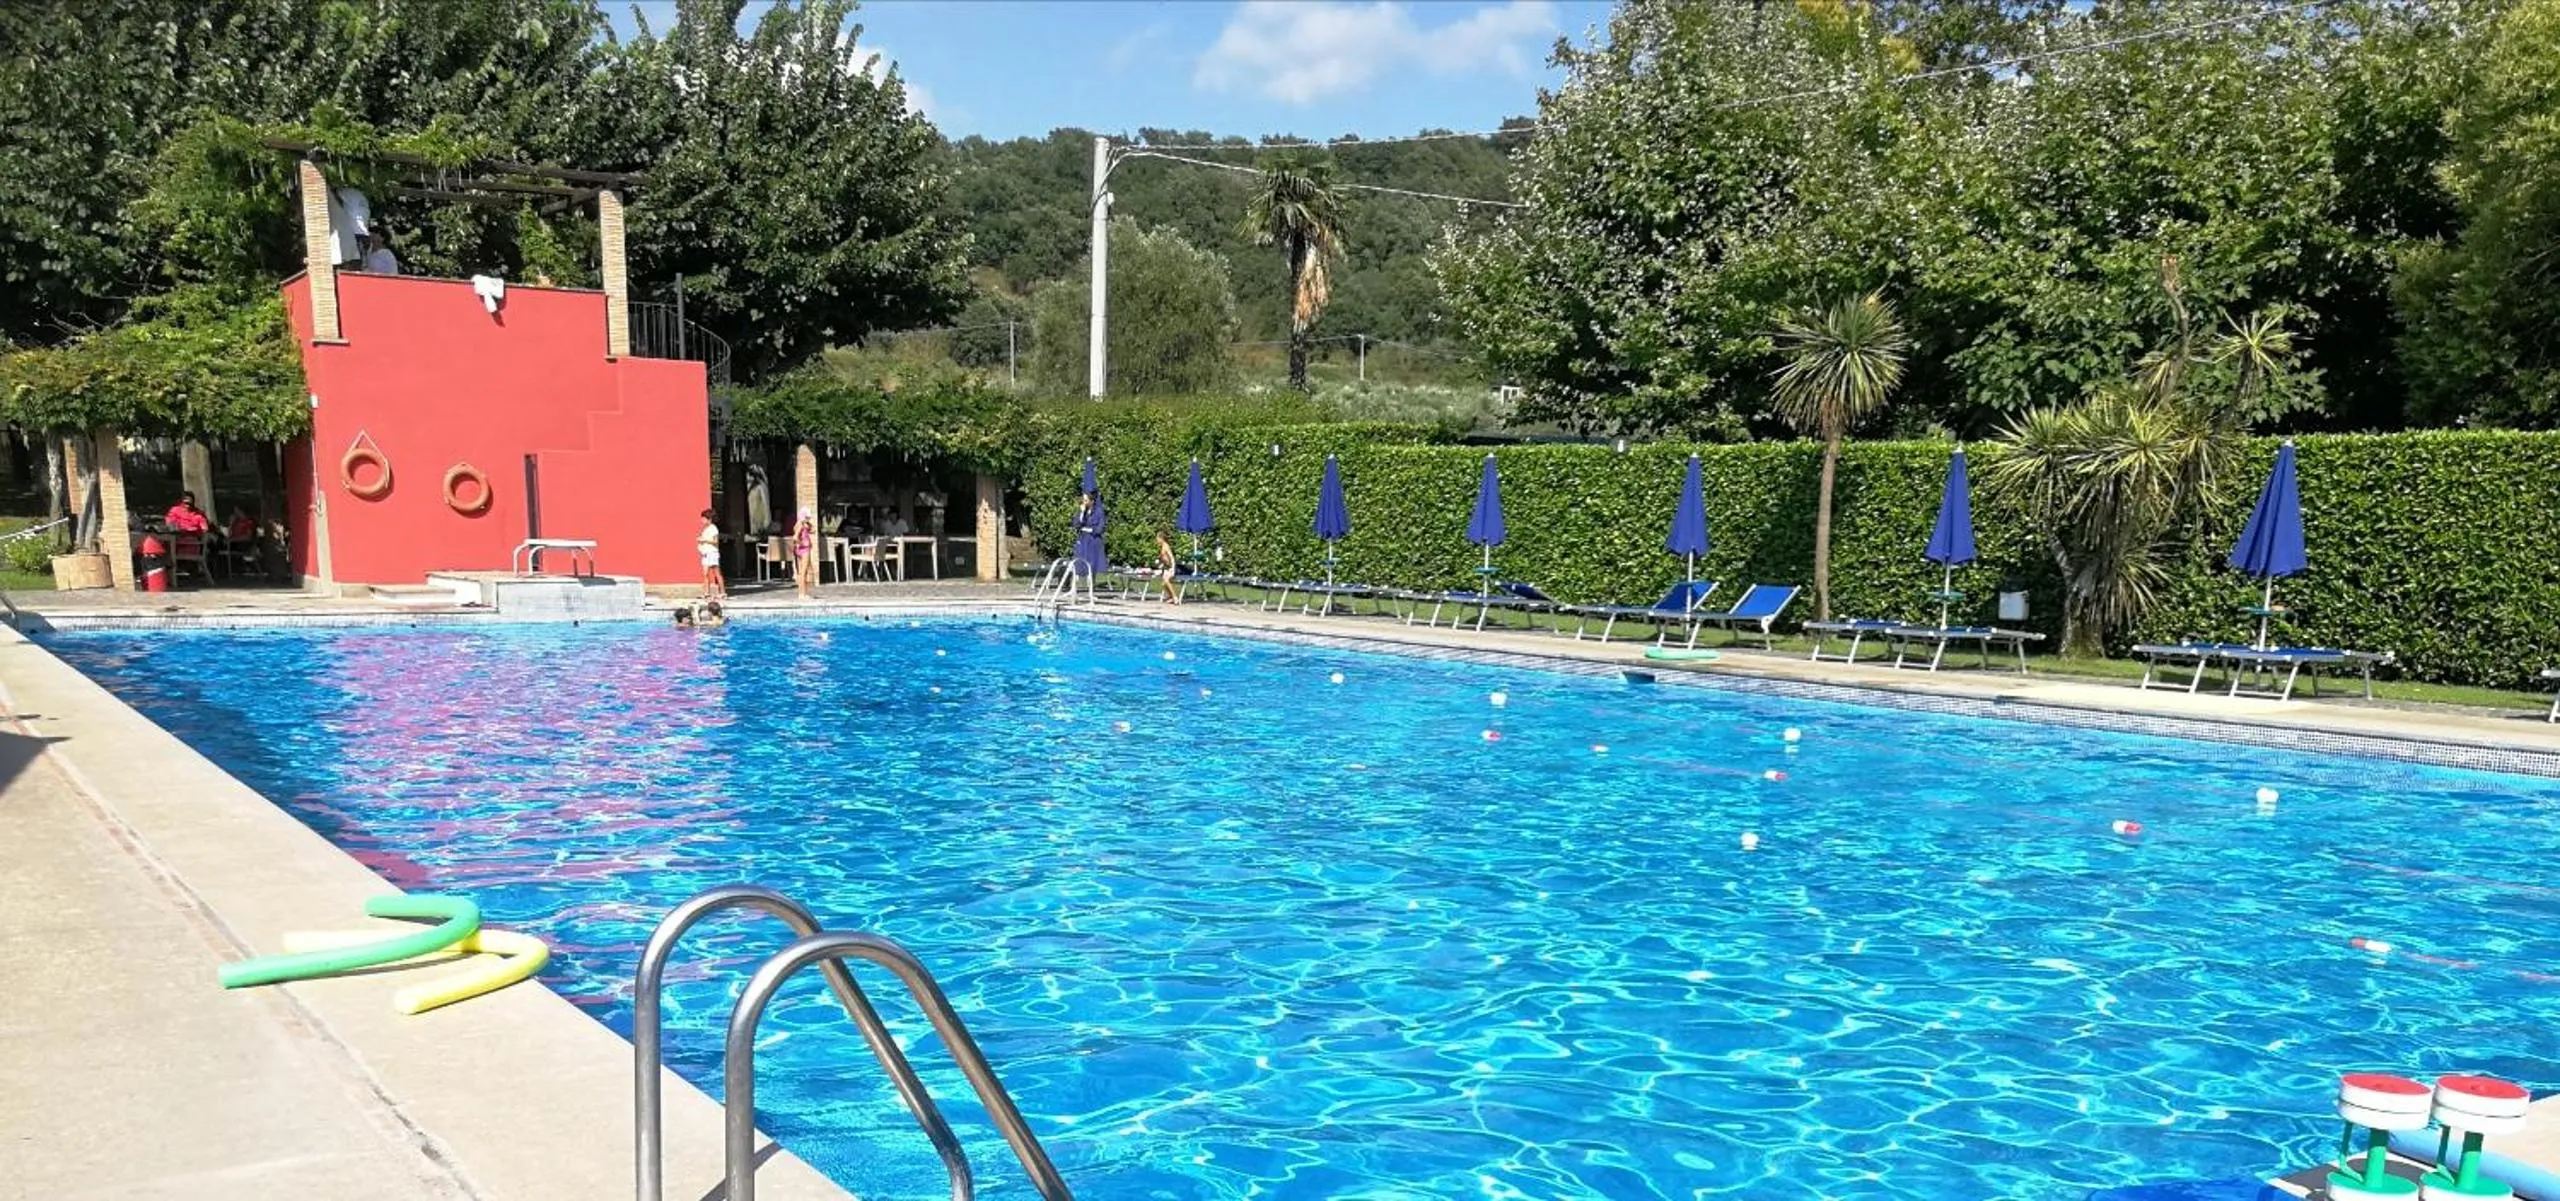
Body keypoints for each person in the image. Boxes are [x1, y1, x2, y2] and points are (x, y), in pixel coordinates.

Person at [695, 509, 725, 599]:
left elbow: (715, 541)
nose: (702, 521)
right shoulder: (706, 529)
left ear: (709, 519)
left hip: (712, 553)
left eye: (703, 519)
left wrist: (704, 540)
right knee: (705, 573)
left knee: (716, 573)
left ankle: (722, 592)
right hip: (705, 553)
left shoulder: (713, 528)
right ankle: (706, 592)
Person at [791, 506, 818, 600]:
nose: (808, 519)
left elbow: (813, 530)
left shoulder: (800, 524)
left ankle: (803, 593)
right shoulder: (801, 525)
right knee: (803, 572)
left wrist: (808, 524)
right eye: (807, 517)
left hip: (800, 550)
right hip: (804, 550)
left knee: (802, 572)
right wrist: (803, 543)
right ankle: (803, 594)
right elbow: (795, 537)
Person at [1155, 531, 1182, 606]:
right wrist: (1162, 564)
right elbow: (1164, 558)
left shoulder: (1166, 546)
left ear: (1161, 538)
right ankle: (1170, 597)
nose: (1156, 540)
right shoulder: (1162, 546)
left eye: (1157, 538)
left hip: (1171, 566)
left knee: (1166, 581)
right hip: (1166, 566)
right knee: (1163, 584)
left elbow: (1171, 556)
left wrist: (1172, 566)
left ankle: (1175, 597)